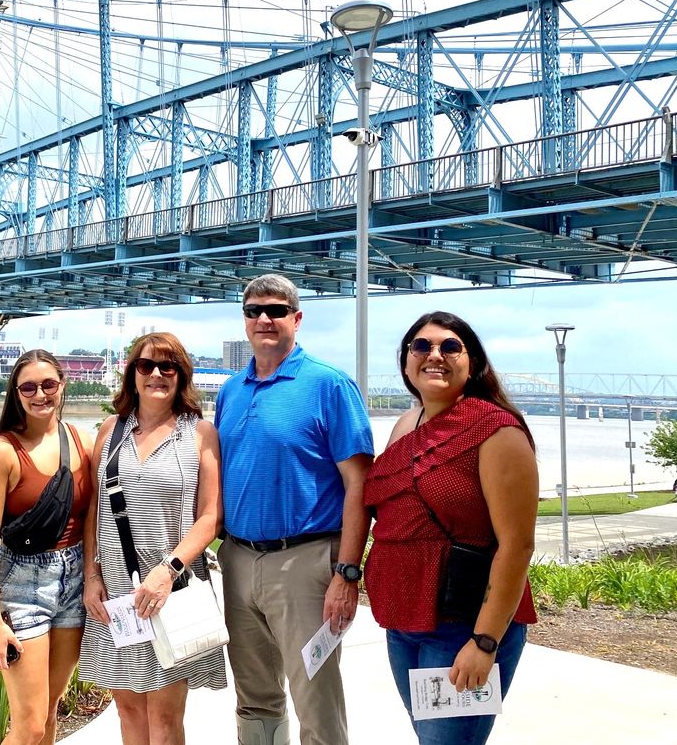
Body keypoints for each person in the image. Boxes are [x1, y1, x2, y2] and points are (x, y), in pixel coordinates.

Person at [364, 311, 538, 745]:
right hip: (404, 621)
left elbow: (517, 546)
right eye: (421, 346)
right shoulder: (408, 423)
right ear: (406, 361)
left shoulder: (497, 431)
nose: (434, 355)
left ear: (473, 362)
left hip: (463, 624)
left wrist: (485, 641)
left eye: (450, 347)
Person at [215, 273, 374, 745]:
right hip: (238, 560)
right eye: (253, 311)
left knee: (316, 698)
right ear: (244, 323)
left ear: (297, 319)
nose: (264, 318)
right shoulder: (230, 390)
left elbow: (359, 483)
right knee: (254, 696)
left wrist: (347, 573)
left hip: (306, 563)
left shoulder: (329, 385)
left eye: (276, 310)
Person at [79, 331, 226, 745]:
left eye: (168, 366)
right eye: (146, 366)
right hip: (116, 593)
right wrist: (92, 576)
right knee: (126, 711)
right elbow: (96, 509)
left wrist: (168, 570)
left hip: (170, 586)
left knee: (164, 719)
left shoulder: (199, 433)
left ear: (182, 375)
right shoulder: (111, 430)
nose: (157, 374)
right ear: (132, 374)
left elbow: (210, 516)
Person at [0, 349, 95, 745]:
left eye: (48, 384)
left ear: (63, 385)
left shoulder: (82, 441)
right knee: (27, 725)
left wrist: (92, 577)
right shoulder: (1, 452)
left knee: (49, 710)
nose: (40, 394)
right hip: (23, 585)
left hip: (73, 581)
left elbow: (91, 519)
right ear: (16, 393)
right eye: (28, 387)